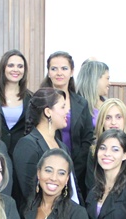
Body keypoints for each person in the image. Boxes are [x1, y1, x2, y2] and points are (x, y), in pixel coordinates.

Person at [12, 88, 79, 208]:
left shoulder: (62, 146)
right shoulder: (27, 145)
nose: (67, 111)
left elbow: (73, 187)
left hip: (70, 213)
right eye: (63, 107)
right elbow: (29, 192)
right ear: (48, 112)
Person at [40, 51, 94, 198]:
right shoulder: (39, 101)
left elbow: (88, 138)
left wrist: (73, 168)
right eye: (54, 68)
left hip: (78, 169)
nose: (59, 73)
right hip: (48, 171)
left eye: (64, 68)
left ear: (72, 72)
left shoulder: (81, 103)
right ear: (48, 72)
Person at [85, 98, 126, 192]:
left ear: (125, 120)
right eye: (108, 118)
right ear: (102, 122)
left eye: (118, 117)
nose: (113, 122)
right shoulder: (93, 151)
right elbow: (90, 188)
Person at [0, 49, 33, 156]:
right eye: (11, 65)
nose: (16, 70)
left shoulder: (31, 98)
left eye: (20, 66)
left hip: (21, 153)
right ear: (3, 68)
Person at [75, 60, 110, 127]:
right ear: (95, 79)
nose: (109, 83)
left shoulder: (108, 105)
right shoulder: (77, 107)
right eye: (107, 78)